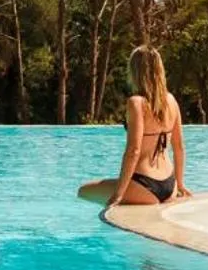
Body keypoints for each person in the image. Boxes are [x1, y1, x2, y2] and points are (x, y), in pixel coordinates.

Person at [79, 45, 191, 207]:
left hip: (144, 184)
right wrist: (180, 185)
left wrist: (118, 194)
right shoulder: (171, 100)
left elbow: (133, 151)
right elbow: (179, 147)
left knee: (83, 191)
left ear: (135, 72)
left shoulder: (136, 103)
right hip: (169, 183)